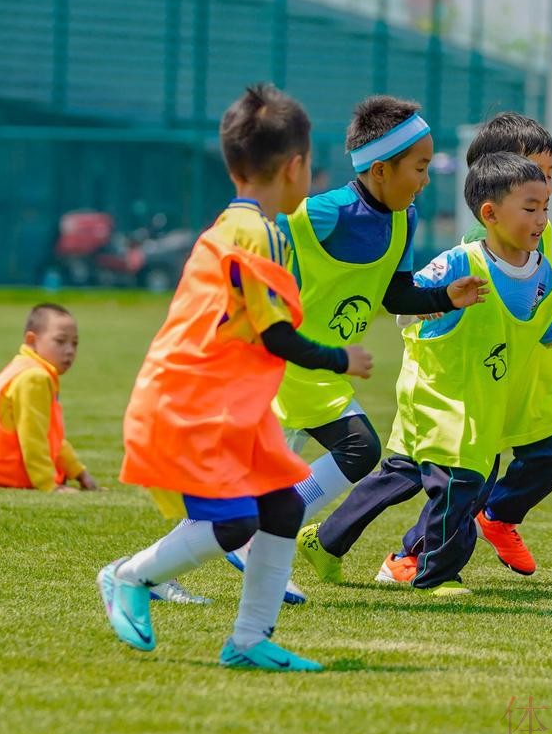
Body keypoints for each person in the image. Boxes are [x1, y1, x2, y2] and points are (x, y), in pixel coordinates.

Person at [96, 83, 372, 670]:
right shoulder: (261, 235)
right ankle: (128, 577)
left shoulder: (235, 222)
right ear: (296, 168)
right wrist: (342, 359)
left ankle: (247, 641)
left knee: (281, 507)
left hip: (217, 402)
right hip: (194, 405)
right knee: (235, 520)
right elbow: (276, 336)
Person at [187, 95, 484, 606]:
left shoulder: (402, 219)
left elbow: (395, 293)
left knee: (237, 486)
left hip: (319, 365)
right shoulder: (324, 212)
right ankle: (261, 540)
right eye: (418, 167)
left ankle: (150, 569)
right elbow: (255, 234)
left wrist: (442, 297)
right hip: (286, 358)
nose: (425, 180)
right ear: (380, 168)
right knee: (358, 448)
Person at [311, 152, 552, 595]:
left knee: (400, 475)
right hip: (438, 394)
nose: (541, 219)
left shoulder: (540, 273)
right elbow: (408, 301)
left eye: (545, 208)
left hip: (481, 402)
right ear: (490, 214)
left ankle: (326, 542)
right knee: (462, 483)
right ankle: (435, 573)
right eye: (530, 208)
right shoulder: (460, 262)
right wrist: (427, 313)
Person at [0, 303, 96, 494]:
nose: (69, 350)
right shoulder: (34, 378)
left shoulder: (25, 367)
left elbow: (51, 437)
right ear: (31, 340)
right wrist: (49, 485)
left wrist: (80, 473)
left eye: (74, 343)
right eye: (60, 341)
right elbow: (33, 438)